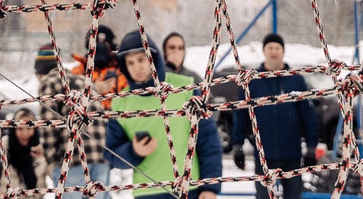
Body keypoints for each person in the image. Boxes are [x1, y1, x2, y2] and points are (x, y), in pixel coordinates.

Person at [104, 31, 222, 199]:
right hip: (148, 192)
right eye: (130, 62)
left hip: (189, 188)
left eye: (141, 59)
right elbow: (111, 154)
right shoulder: (120, 103)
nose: (136, 67)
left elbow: (209, 142)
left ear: (154, 58)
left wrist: (210, 187)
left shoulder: (185, 88)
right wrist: (133, 151)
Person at [229, 31, 323, 198]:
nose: (274, 51)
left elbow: (308, 115)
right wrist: (237, 146)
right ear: (264, 51)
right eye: (270, 48)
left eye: (277, 48)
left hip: (292, 154)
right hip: (263, 154)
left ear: (283, 51)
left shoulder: (295, 80)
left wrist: (310, 148)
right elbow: (241, 115)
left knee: (293, 196)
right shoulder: (252, 81)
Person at [37, 37, 108, 193]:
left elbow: (49, 125)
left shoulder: (48, 82)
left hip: (73, 160)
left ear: (40, 72)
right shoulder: (85, 81)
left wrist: (51, 158)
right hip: (101, 156)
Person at [0, 111, 43, 194]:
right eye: (20, 128)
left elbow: (56, 177)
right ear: (13, 129)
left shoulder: (42, 148)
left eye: (29, 128)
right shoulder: (3, 146)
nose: (24, 133)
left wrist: (42, 159)